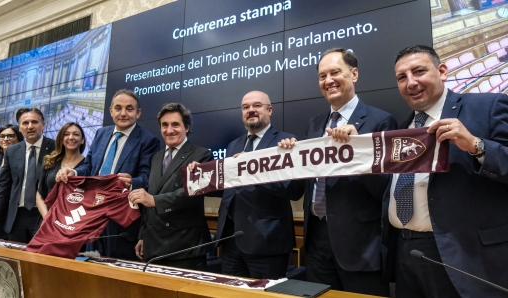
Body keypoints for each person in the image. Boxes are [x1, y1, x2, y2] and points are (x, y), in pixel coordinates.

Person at [386, 45, 508, 297]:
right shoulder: (402, 128)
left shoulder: (488, 106)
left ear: (442, 71)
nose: (411, 82)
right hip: (405, 251)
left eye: (418, 71)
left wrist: (477, 146)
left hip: (464, 253)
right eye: (402, 77)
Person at [279, 48, 396, 295]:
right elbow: (302, 183)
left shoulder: (380, 121)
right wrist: (288, 160)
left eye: (335, 72)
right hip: (316, 240)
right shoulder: (314, 124)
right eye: (322, 76)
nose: (328, 80)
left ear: (354, 74)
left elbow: (386, 190)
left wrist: (358, 150)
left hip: (360, 244)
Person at [57, 89, 159, 260]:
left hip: (121, 222)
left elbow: (148, 178)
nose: (123, 113)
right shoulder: (101, 133)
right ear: (111, 111)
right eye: (118, 108)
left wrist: (132, 182)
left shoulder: (148, 141)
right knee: (89, 265)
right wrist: (73, 172)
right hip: (91, 214)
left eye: (129, 109)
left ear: (138, 113)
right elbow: (90, 167)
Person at [214, 91, 298, 279]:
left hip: (267, 243)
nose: (251, 110)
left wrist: (253, 168)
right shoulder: (233, 146)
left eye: (257, 105)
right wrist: (201, 174)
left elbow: (293, 190)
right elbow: (227, 187)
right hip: (230, 241)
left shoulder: (285, 142)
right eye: (246, 107)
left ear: (269, 110)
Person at [129, 103, 212, 270]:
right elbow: (149, 197)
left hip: (185, 247)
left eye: (175, 124)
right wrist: (143, 236)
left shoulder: (202, 155)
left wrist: (154, 200)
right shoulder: (155, 157)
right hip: (153, 245)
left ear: (187, 127)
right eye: (164, 125)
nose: (169, 130)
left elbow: (192, 194)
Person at [0, 108, 55, 243]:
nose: (30, 126)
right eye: (25, 123)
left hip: (44, 215)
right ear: (20, 128)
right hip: (15, 217)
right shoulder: (12, 151)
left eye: (34, 122)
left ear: (43, 125)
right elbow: (4, 187)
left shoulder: (56, 148)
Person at [36, 122, 86, 218]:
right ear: (61, 139)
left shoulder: (88, 166)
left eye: (76, 134)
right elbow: (40, 195)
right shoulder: (50, 162)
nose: (71, 137)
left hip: (75, 222)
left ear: (82, 140)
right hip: (48, 220)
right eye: (66, 134)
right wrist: (47, 218)